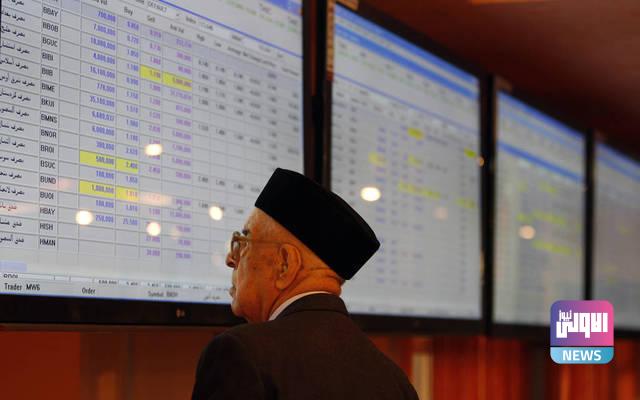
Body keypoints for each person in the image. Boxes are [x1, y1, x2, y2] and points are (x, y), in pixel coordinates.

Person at [192, 168, 419, 400]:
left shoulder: (242, 355)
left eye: (244, 242)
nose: (230, 259)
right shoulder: (396, 381)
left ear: (285, 264)